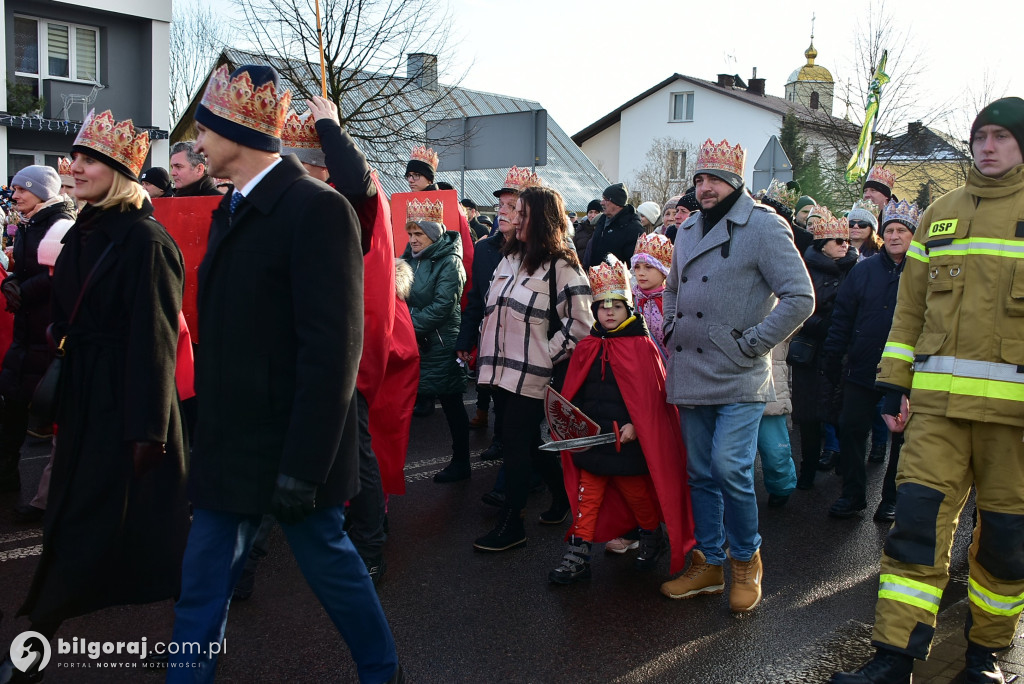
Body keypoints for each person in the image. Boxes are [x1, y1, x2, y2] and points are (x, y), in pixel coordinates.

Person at [168, 64, 400, 683]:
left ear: (237, 133)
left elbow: (333, 349)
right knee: (200, 587)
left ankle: (384, 672)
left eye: (204, 132)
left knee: (333, 570)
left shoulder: (316, 209)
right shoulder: (233, 207)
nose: (196, 144)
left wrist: (304, 464)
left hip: (291, 445)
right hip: (229, 442)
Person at [831, 97, 1024, 684]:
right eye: (980, 135)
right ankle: (893, 657)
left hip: (1013, 424)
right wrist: (893, 387)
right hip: (937, 414)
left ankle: (985, 657)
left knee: (1005, 544)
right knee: (914, 532)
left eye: (1001, 136)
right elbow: (908, 313)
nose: (987, 146)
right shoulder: (939, 215)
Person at [6, 109, 189, 664]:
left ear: (117, 170)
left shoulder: (146, 241)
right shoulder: (83, 230)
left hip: (128, 409)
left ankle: (198, 631)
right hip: (87, 398)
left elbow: (156, 341)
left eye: (85, 160)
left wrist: (148, 431)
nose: (72, 167)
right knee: (75, 523)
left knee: (153, 539)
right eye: (74, 158)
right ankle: (40, 637)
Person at [659, 138, 813, 613]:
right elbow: (671, 286)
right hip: (691, 368)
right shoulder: (685, 230)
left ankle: (746, 561)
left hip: (741, 372)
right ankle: (707, 564)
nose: (705, 188)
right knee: (700, 472)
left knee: (731, 469)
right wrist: (668, 326)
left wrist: (753, 343)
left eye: (714, 179)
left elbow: (800, 297)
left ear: (736, 182)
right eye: (700, 179)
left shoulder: (764, 227)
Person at [549, 256, 693, 583]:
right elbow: (575, 393)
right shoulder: (587, 346)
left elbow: (652, 399)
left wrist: (635, 425)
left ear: (629, 308)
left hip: (627, 442)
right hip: (593, 440)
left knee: (638, 495)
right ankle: (579, 553)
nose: (609, 311)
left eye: (616, 304)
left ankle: (651, 535)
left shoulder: (643, 347)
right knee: (588, 494)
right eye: (602, 305)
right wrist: (572, 422)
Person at [472, 185, 594, 552]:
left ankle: (513, 524)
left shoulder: (563, 265)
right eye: (512, 211)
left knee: (513, 444)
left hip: (533, 377)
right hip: (498, 372)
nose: (511, 218)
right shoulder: (508, 258)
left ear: (541, 219)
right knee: (526, 441)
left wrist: (545, 355)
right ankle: (561, 500)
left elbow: (582, 325)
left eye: (521, 213)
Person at [823, 200, 919, 521]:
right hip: (862, 368)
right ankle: (853, 494)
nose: (894, 236)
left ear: (912, 236)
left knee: (902, 439)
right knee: (851, 428)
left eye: (901, 231)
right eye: (889, 230)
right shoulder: (863, 271)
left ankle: (891, 498)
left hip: (905, 374)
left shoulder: (923, 273)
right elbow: (842, 317)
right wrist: (833, 356)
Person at [457, 167, 541, 465]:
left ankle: (532, 479)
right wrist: (465, 341)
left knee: (524, 422)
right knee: (498, 399)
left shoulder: (544, 253)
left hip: (529, 351)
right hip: (493, 343)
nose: (503, 212)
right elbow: (476, 300)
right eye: (500, 206)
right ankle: (502, 443)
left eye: (511, 206)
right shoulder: (485, 250)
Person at [0, 166, 74, 493]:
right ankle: (7, 481)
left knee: (56, 417)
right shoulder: (29, 223)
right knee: (11, 410)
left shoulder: (61, 224)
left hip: (48, 334)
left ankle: (52, 495)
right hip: (25, 333)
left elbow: (60, 273)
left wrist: (23, 290)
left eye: (21, 190)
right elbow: (27, 267)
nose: (14, 196)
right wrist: (14, 283)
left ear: (41, 192)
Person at [790, 209, 859, 491]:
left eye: (846, 240)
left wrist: (842, 328)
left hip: (842, 354)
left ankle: (845, 467)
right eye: (836, 240)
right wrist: (824, 325)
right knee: (808, 417)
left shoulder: (857, 269)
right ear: (821, 244)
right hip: (810, 351)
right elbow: (794, 307)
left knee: (843, 412)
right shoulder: (803, 271)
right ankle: (806, 470)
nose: (844, 245)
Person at [402, 198, 469, 483]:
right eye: (410, 234)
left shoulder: (450, 262)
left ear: (433, 233)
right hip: (416, 342)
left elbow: (442, 307)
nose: (413, 239)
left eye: (419, 234)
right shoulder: (408, 259)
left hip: (441, 345)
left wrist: (404, 326)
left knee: (452, 405)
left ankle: (462, 461)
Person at [630, 231, 672, 359]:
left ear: (663, 270)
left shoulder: (673, 302)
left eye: (648, 267)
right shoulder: (630, 301)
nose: (641, 273)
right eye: (637, 267)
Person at [582, 183, 644, 268]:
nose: (601, 202)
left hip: (619, 280)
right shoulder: (601, 221)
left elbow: (634, 264)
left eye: (606, 199)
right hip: (595, 278)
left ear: (617, 202)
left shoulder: (633, 228)